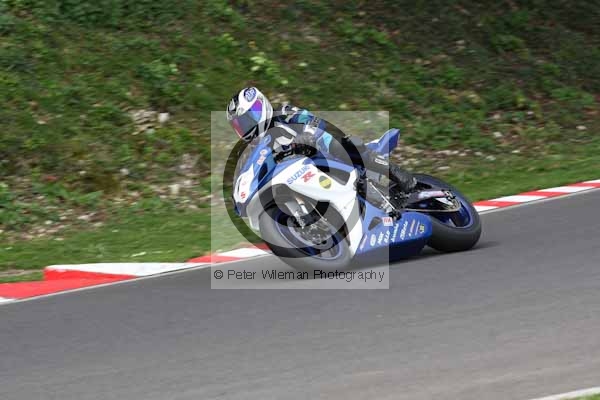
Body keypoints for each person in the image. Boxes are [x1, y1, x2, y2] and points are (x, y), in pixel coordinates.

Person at [226, 87, 416, 196]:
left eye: (251, 116)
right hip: (295, 176)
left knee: (338, 144)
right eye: (241, 124)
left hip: (317, 151)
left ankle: (399, 174)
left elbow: (313, 121)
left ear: (262, 105)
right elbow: (250, 173)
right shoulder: (251, 150)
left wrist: (307, 135)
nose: (248, 125)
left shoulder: (284, 113)